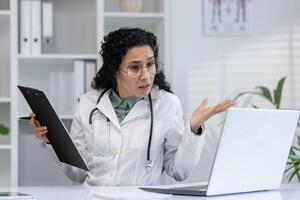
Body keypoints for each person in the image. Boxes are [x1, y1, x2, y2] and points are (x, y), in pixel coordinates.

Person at [30, 27, 234, 186]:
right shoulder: (89, 103)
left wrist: (193, 128)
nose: (146, 75)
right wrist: (52, 141)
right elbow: (77, 173)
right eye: (135, 67)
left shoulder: (167, 104)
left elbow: (179, 171)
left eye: (150, 64)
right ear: (115, 70)